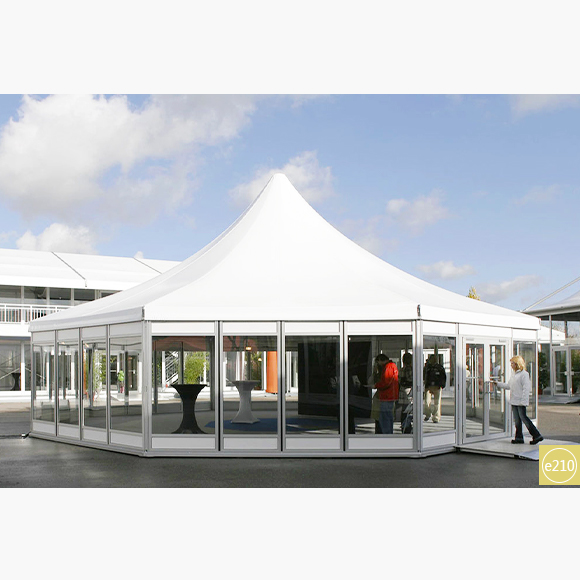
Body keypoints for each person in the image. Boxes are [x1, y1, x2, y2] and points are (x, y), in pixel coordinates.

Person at [495, 355, 543, 445]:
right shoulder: (514, 374)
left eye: (512, 363)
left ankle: (536, 435)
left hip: (520, 401)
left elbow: (526, 389)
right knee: (517, 420)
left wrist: (524, 401)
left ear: (517, 364)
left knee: (524, 418)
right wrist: (498, 384)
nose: (511, 365)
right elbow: (509, 386)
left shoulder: (524, 374)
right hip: (514, 400)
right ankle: (519, 438)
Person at [373, 354, 399, 434]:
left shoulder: (388, 367)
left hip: (386, 396)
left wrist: (376, 385)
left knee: (384, 418)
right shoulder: (392, 366)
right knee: (388, 417)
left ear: (380, 360)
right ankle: (388, 433)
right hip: (390, 395)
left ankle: (387, 434)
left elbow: (386, 382)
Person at [424, 354, 446, 423]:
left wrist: (442, 385)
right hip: (429, 386)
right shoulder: (427, 368)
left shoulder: (440, 368)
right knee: (427, 402)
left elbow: (443, 377)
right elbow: (424, 375)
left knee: (437, 403)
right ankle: (428, 414)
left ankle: (436, 417)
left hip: (437, 386)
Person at [398, 353, 413, 431]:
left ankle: (404, 426)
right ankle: (406, 427)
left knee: (404, 410)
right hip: (408, 390)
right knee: (408, 410)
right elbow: (411, 379)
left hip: (402, 391)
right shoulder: (409, 369)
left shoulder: (401, 369)